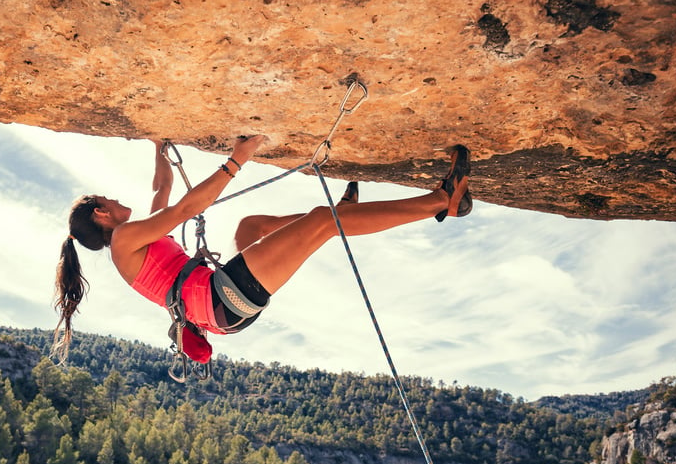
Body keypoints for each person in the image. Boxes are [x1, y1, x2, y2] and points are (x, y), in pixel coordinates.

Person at [53, 135, 471, 361]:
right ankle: (440, 202)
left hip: (221, 305)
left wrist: (159, 147)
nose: (112, 198)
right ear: (100, 216)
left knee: (250, 227)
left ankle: (331, 215)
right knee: (324, 226)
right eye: (105, 200)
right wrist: (237, 160)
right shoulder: (125, 240)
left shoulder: (132, 239)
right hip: (222, 297)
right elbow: (184, 207)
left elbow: (162, 189)